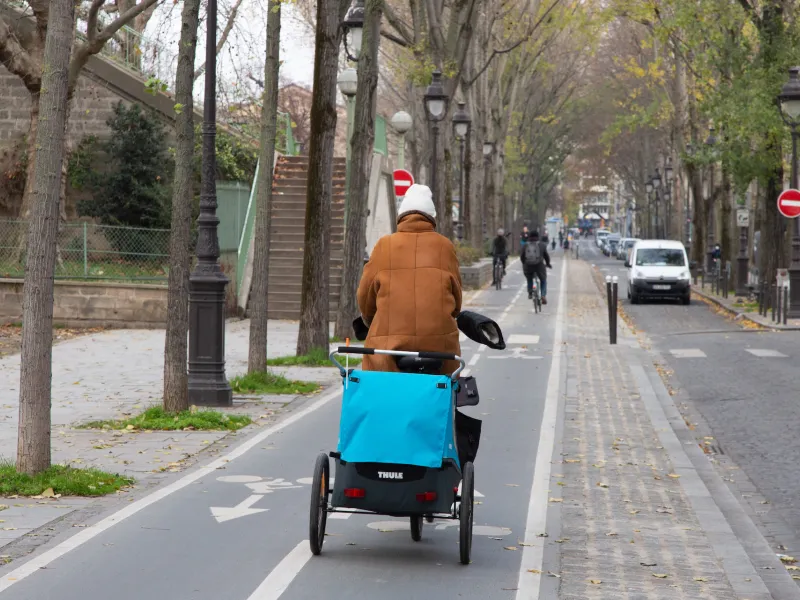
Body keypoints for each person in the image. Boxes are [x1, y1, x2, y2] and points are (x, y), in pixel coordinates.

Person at [357, 184, 462, 375]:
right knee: (447, 385)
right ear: (431, 217)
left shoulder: (384, 246)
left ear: (401, 215)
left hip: (389, 348)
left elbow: (365, 299)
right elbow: (456, 303)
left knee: (379, 384)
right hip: (438, 348)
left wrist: (370, 319)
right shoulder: (445, 246)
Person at [521, 230, 552, 303]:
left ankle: (530, 292)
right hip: (539, 266)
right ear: (538, 237)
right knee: (543, 280)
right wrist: (548, 264)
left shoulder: (525, 245)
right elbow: (546, 256)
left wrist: (524, 263)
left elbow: (522, 256)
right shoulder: (541, 245)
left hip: (528, 266)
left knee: (529, 278)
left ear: (529, 237)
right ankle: (543, 295)